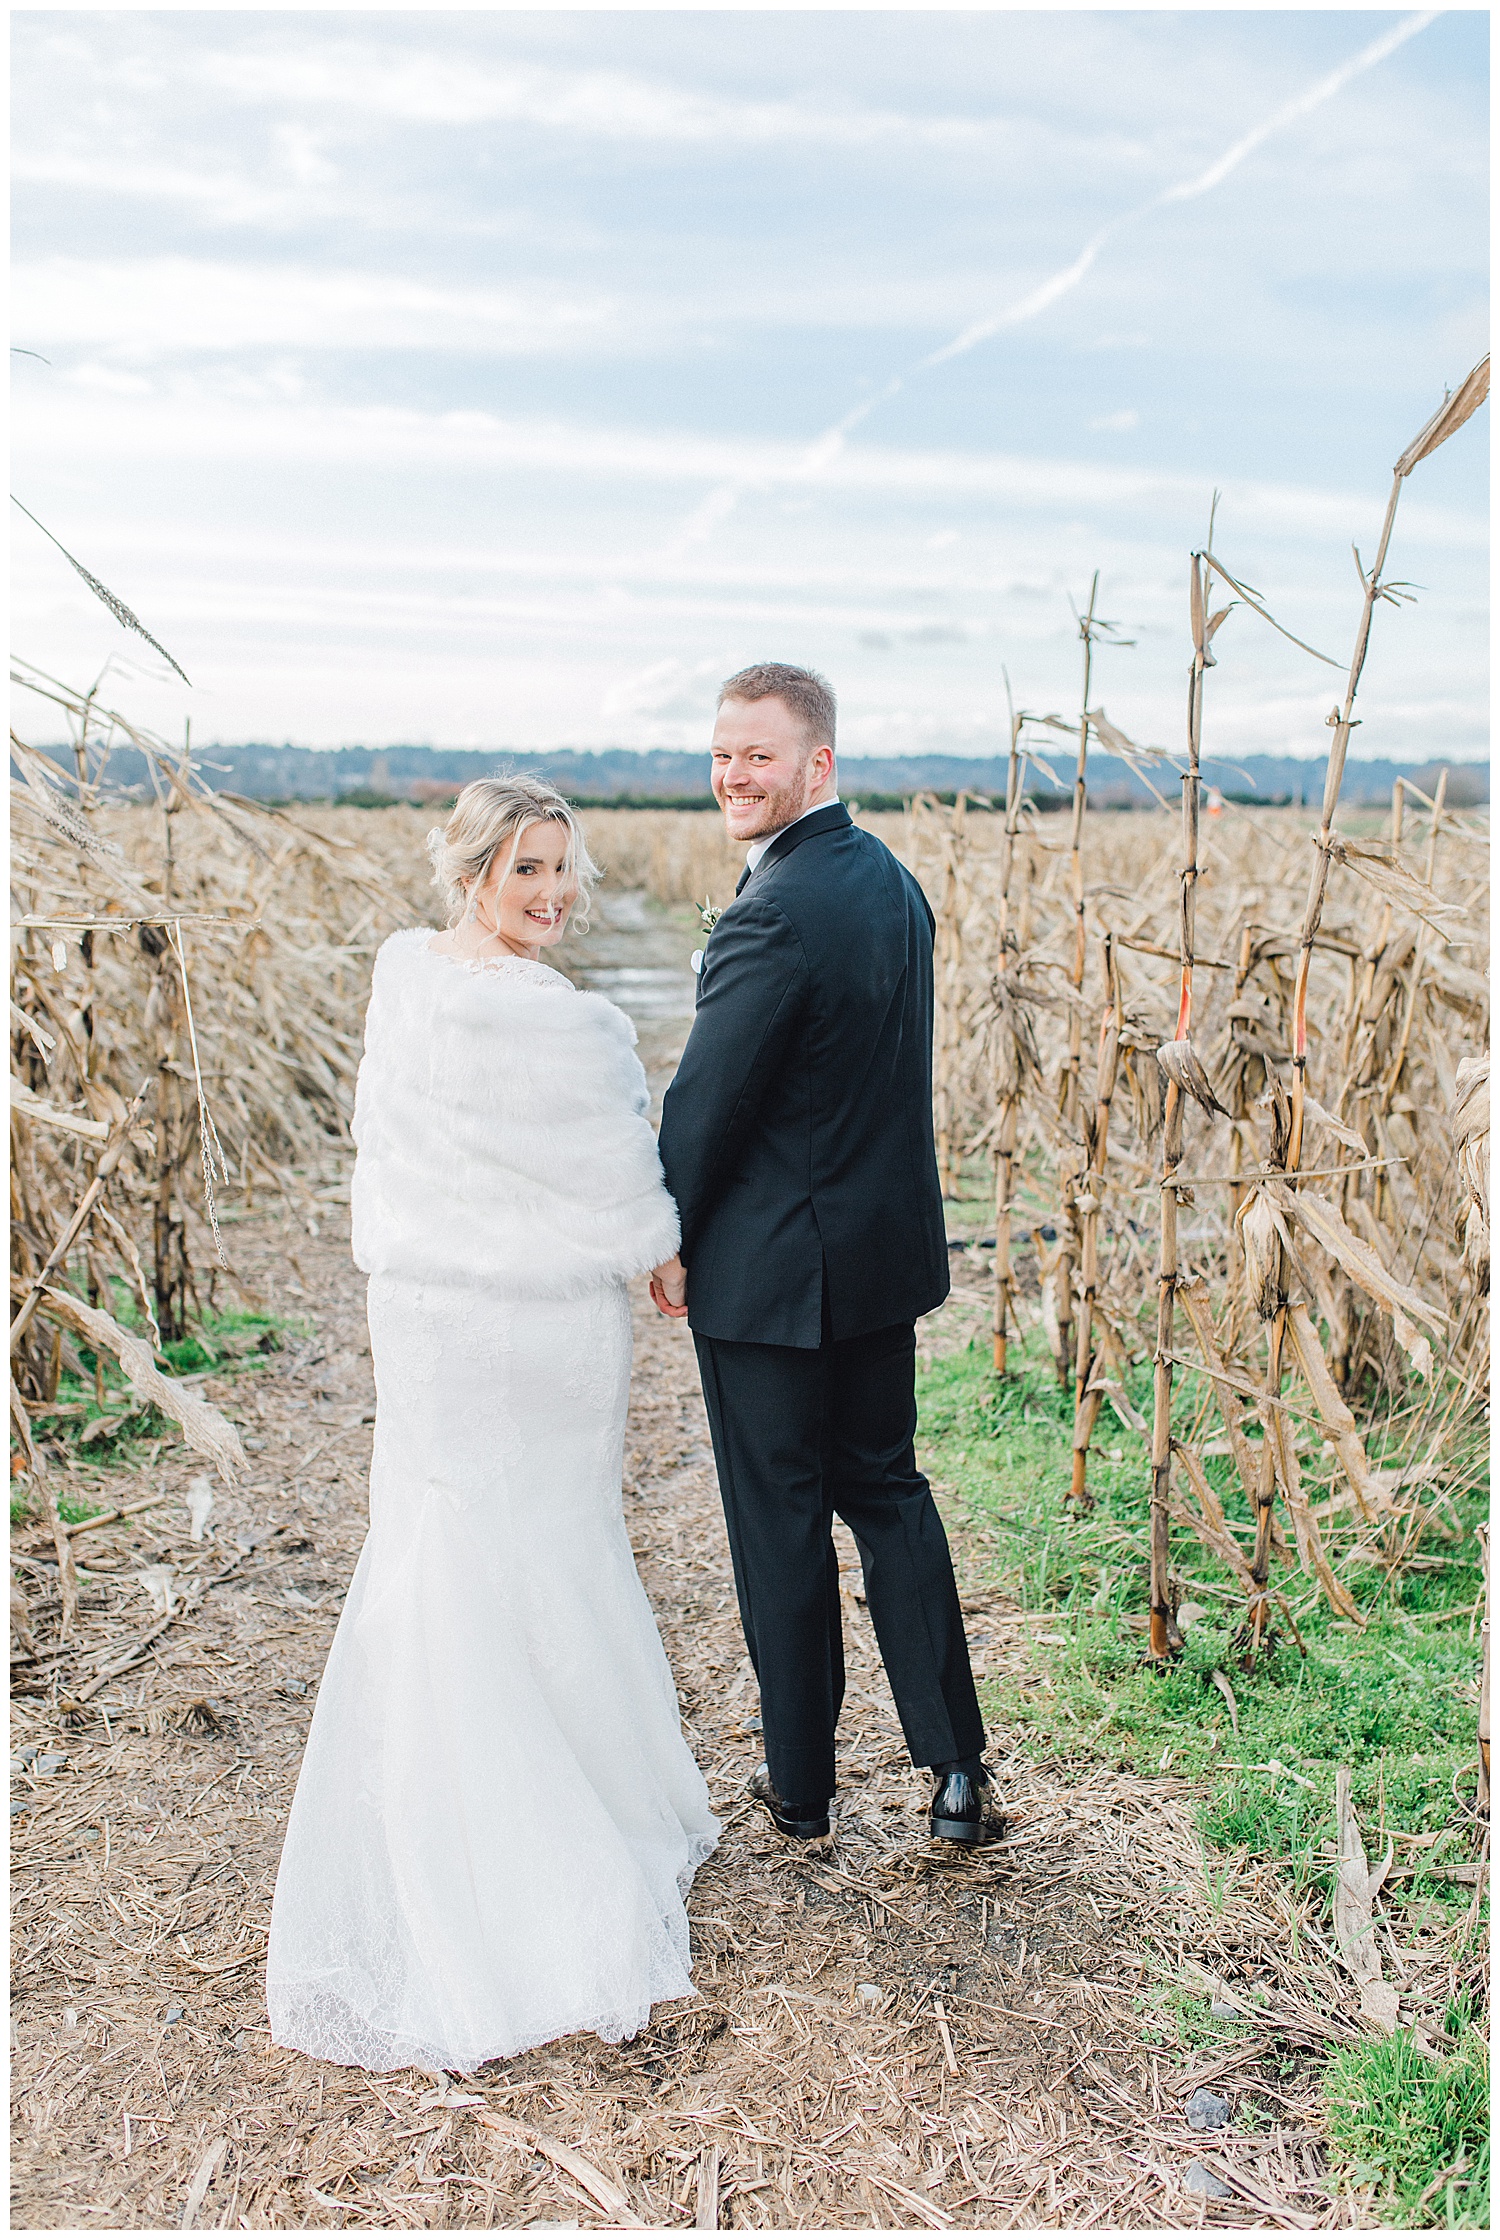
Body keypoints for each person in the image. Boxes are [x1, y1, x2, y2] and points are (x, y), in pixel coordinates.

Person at [267, 776, 717, 2074]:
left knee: (448, 1536)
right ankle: (549, 1846)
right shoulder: (567, 1027)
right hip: (528, 1325)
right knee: (541, 1539)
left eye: (564, 870)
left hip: (426, 1312)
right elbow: (617, 1173)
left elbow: (390, 1155)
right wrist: (661, 1253)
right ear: (472, 873)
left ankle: (456, 1820)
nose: (556, 896)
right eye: (529, 871)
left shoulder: (398, 985)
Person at [651, 664, 1001, 1848]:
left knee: (782, 1522)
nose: (734, 776)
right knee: (889, 1494)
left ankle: (801, 1786)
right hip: (875, 1263)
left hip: (768, 1283)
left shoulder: (771, 912)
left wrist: (665, 1232)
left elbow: (706, 1110)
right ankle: (957, 1770)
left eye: (758, 754)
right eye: (720, 755)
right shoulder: (893, 886)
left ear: (819, 763)